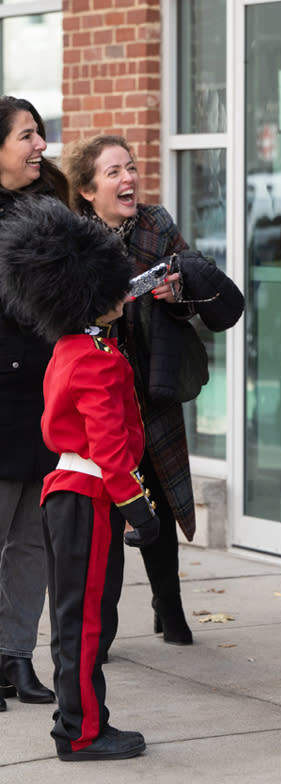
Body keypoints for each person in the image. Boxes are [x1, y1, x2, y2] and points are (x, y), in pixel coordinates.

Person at [61, 136, 244, 645]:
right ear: (87, 188)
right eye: (115, 172)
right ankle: (104, 628)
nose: (129, 180)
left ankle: (170, 607)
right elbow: (59, 320)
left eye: (132, 168)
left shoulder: (156, 224)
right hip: (99, 388)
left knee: (159, 496)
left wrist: (175, 291)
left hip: (152, 378)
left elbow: (192, 299)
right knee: (111, 500)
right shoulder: (73, 239)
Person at [0, 195, 161, 760]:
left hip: (68, 492)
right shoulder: (96, 357)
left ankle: (79, 721)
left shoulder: (71, 348)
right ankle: (81, 731)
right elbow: (109, 446)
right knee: (85, 623)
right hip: (90, 494)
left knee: (75, 620)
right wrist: (137, 507)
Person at [0, 95, 69, 712]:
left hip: (43, 396)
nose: (40, 146)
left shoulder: (50, 213)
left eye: (40, 133)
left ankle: (16, 657)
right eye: (26, 136)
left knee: (29, 539)